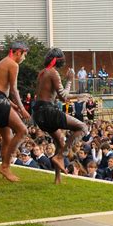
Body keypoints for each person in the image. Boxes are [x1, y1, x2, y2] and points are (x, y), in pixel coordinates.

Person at [32, 48, 89, 184]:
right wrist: (70, 81)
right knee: (83, 127)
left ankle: (57, 178)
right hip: (47, 110)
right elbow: (63, 96)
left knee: (60, 142)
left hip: (38, 113)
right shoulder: (53, 73)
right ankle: (60, 157)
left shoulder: (42, 73)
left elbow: (58, 95)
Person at [0, 41, 30, 182]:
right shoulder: (13, 64)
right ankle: (5, 166)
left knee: (7, 138)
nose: (24, 58)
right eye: (24, 55)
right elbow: (14, 90)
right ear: (18, 52)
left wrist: (12, 105)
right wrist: (22, 109)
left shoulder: (2, 62)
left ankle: (5, 169)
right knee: (23, 131)